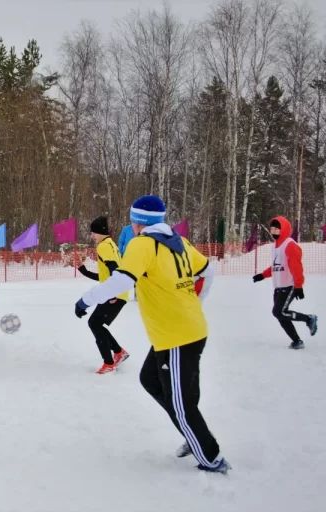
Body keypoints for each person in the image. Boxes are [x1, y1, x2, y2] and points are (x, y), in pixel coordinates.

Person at [74, 195, 229, 474]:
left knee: (182, 405)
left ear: (137, 221)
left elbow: (122, 279)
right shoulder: (177, 240)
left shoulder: (142, 243)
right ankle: (191, 433)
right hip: (177, 332)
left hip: (178, 336)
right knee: (151, 380)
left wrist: (87, 299)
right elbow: (207, 270)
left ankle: (211, 457)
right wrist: (195, 302)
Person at [252, 216, 318, 349]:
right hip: (278, 287)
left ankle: (309, 319)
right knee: (280, 315)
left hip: (290, 285)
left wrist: (299, 285)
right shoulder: (276, 246)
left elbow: (296, 267)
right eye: (272, 228)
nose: (273, 231)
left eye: (276, 228)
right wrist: (263, 275)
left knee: (278, 312)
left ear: (284, 229)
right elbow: (277, 266)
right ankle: (297, 341)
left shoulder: (290, 245)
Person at [75, 216, 129, 374]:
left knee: (95, 323)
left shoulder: (104, 246)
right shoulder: (110, 244)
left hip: (115, 294)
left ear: (100, 232)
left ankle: (109, 363)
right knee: (96, 324)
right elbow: (105, 276)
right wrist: (83, 270)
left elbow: (113, 269)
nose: (92, 236)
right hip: (117, 292)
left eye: (93, 232)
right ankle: (118, 353)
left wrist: (113, 293)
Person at [118, 223, 137, 301]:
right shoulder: (126, 229)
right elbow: (121, 241)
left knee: (138, 275)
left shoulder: (142, 228)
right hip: (126, 255)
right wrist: (121, 252)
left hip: (138, 255)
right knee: (125, 275)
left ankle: (137, 294)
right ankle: (122, 294)